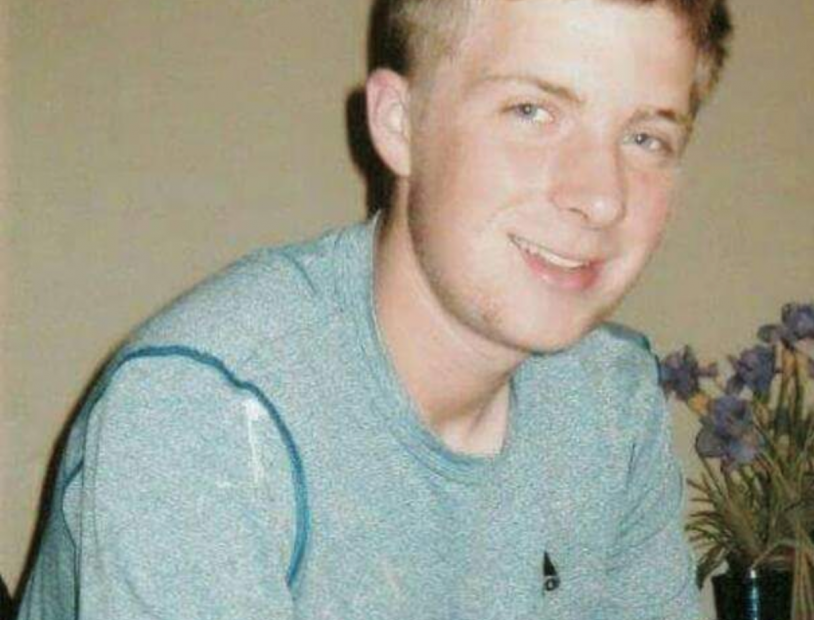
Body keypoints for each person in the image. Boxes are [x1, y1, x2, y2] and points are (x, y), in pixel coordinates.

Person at [16, 0, 732, 618]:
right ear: (398, 124)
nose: (601, 195)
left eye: (646, 138)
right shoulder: (205, 414)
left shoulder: (608, 400)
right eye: (533, 111)